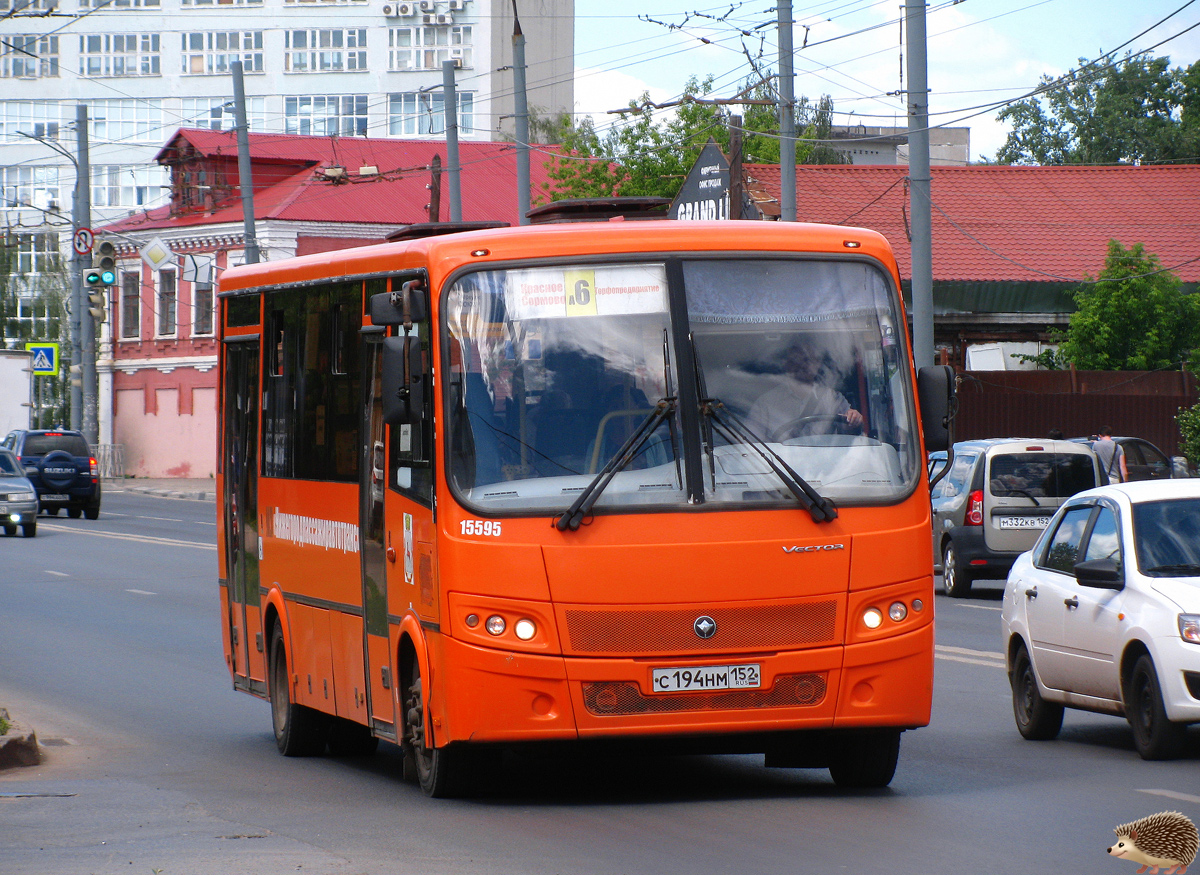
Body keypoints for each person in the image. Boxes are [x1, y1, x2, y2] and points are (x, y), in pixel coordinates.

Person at [749, 340, 864, 439]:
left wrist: (853, 420)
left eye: (808, 360)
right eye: (796, 360)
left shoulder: (832, 398)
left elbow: (850, 433)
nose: (802, 365)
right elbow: (751, 444)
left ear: (818, 364)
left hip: (826, 462)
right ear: (786, 364)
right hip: (781, 463)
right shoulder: (766, 403)